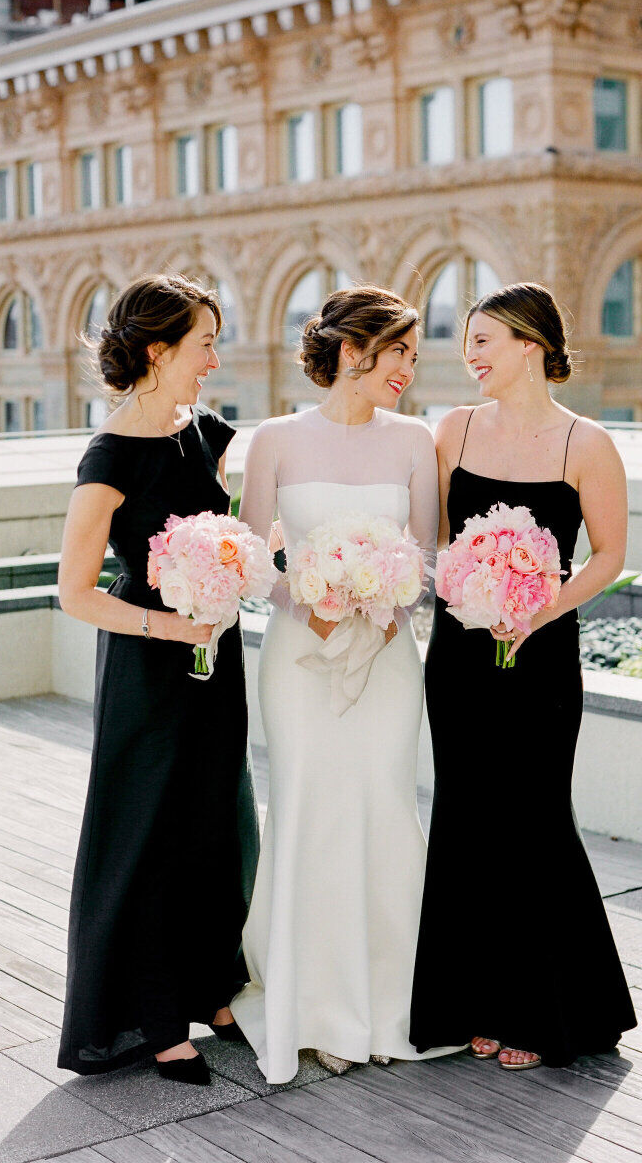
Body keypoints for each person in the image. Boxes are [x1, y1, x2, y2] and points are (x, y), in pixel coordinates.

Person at [230, 285, 462, 1083]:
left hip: (389, 655)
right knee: (310, 809)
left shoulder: (414, 440)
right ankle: (316, 1005)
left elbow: (425, 557)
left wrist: (379, 599)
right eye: (397, 350)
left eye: (412, 354)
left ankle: (389, 1001)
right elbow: (251, 553)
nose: (407, 366)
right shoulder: (275, 439)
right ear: (352, 351)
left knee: (384, 806)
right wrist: (312, 600)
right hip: (299, 657)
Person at [410, 282, 637, 1070]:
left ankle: (546, 1013)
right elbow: (437, 541)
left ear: (531, 344)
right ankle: (470, 1000)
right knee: (467, 816)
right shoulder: (454, 430)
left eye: (484, 341)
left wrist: (539, 606)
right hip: (460, 656)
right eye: (467, 342)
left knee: (535, 817)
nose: (469, 356)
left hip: (542, 656)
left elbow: (608, 554)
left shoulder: (588, 444)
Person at [57, 274, 258, 1084]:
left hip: (216, 657)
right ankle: (152, 1014)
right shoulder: (107, 457)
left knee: (216, 818)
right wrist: (172, 625)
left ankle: (214, 988)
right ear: (157, 350)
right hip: (149, 659)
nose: (214, 358)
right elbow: (74, 594)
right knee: (147, 830)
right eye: (204, 343)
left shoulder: (207, 431)